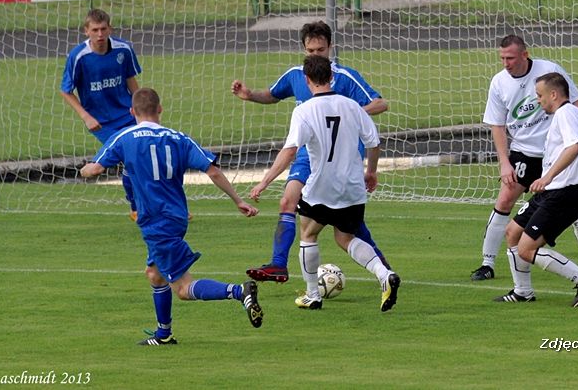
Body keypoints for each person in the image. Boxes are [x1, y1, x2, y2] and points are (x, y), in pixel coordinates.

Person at [80, 88, 264, 344]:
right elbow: (212, 171)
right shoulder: (179, 138)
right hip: (177, 216)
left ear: (132, 111)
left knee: (183, 288)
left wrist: (84, 170)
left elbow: (95, 169)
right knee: (154, 274)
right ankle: (163, 334)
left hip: (156, 222)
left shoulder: (124, 137)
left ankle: (238, 291)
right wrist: (238, 200)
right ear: (160, 109)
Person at [232, 20, 389, 283]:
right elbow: (273, 94)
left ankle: (381, 265)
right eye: (311, 51)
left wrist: (349, 114)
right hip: (307, 156)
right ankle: (279, 265)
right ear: (304, 49)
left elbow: (381, 103)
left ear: (330, 48)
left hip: (339, 159)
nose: (316, 55)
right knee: (287, 201)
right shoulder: (296, 75)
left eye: (321, 50)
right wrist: (249, 95)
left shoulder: (345, 77)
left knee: (348, 226)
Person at [250, 55, 400, 312]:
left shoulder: (304, 110)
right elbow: (374, 142)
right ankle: (384, 275)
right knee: (345, 237)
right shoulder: (353, 106)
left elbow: (290, 151)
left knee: (308, 233)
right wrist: (371, 172)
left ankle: (312, 294)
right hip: (352, 187)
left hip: (321, 186)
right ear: (331, 77)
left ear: (307, 80)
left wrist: (264, 182)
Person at [472, 35, 578, 282]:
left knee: (569, 205)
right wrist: (504, 162)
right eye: (502, 58)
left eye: (510, 58)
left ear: (525, 54)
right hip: (525, 153)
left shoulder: (550, 71)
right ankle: (488, 263)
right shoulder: (499, 82)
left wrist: (564, 130)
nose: (506, 63)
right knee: (504, 199)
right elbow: (497, 125)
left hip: (556, 156)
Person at [493, 72, 578, 307]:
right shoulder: (563, 115)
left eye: (540, 95)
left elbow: (575, 147)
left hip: (565, 193)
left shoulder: (567, 113)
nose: (538, 100)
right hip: (551, 192)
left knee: (526, 248)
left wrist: (547, 177)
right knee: (512, 231)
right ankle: (522, 291)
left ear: (554, 94)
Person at [61, 8, 142, 220]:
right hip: (102, 122)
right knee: (131, 158)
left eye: (103, 29)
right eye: (95, 30)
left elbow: (131, 81)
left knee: (137, 159)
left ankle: (139, 209)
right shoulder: (78, 56)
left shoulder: (123, 50)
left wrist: (141, 110)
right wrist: (86, 116)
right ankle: (137, 206)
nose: (100, 34)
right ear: (86, 31)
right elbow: (66, 91)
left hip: (128, 115)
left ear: (110, 28)